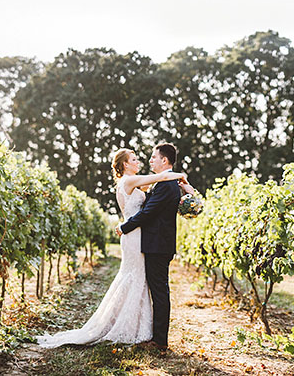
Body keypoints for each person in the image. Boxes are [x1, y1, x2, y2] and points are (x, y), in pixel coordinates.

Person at [35, 147, 186, 348]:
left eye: (149, 157)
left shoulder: (141, 183)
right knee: (136, 280)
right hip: (134, 237)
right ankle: (137, 329)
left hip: (142, 237)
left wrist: (180, 185)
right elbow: (151, 198)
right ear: (125, 164)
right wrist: (180, 177)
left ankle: (147, 332)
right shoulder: (131, 181)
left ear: (165, 160)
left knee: (140, 282)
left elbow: (151, 205)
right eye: (134, 159)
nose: (141, 161)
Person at [116, 142, 197, 353]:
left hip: (158, 245)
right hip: (156, 243)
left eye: (154, 157)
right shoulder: (167, 182)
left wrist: (125, 227)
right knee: (157, 289)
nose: (150, 160)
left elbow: (148, 212)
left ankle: (160, 340)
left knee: (159, 291)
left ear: (164, 160)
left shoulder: (166, 184)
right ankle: (154, 335)